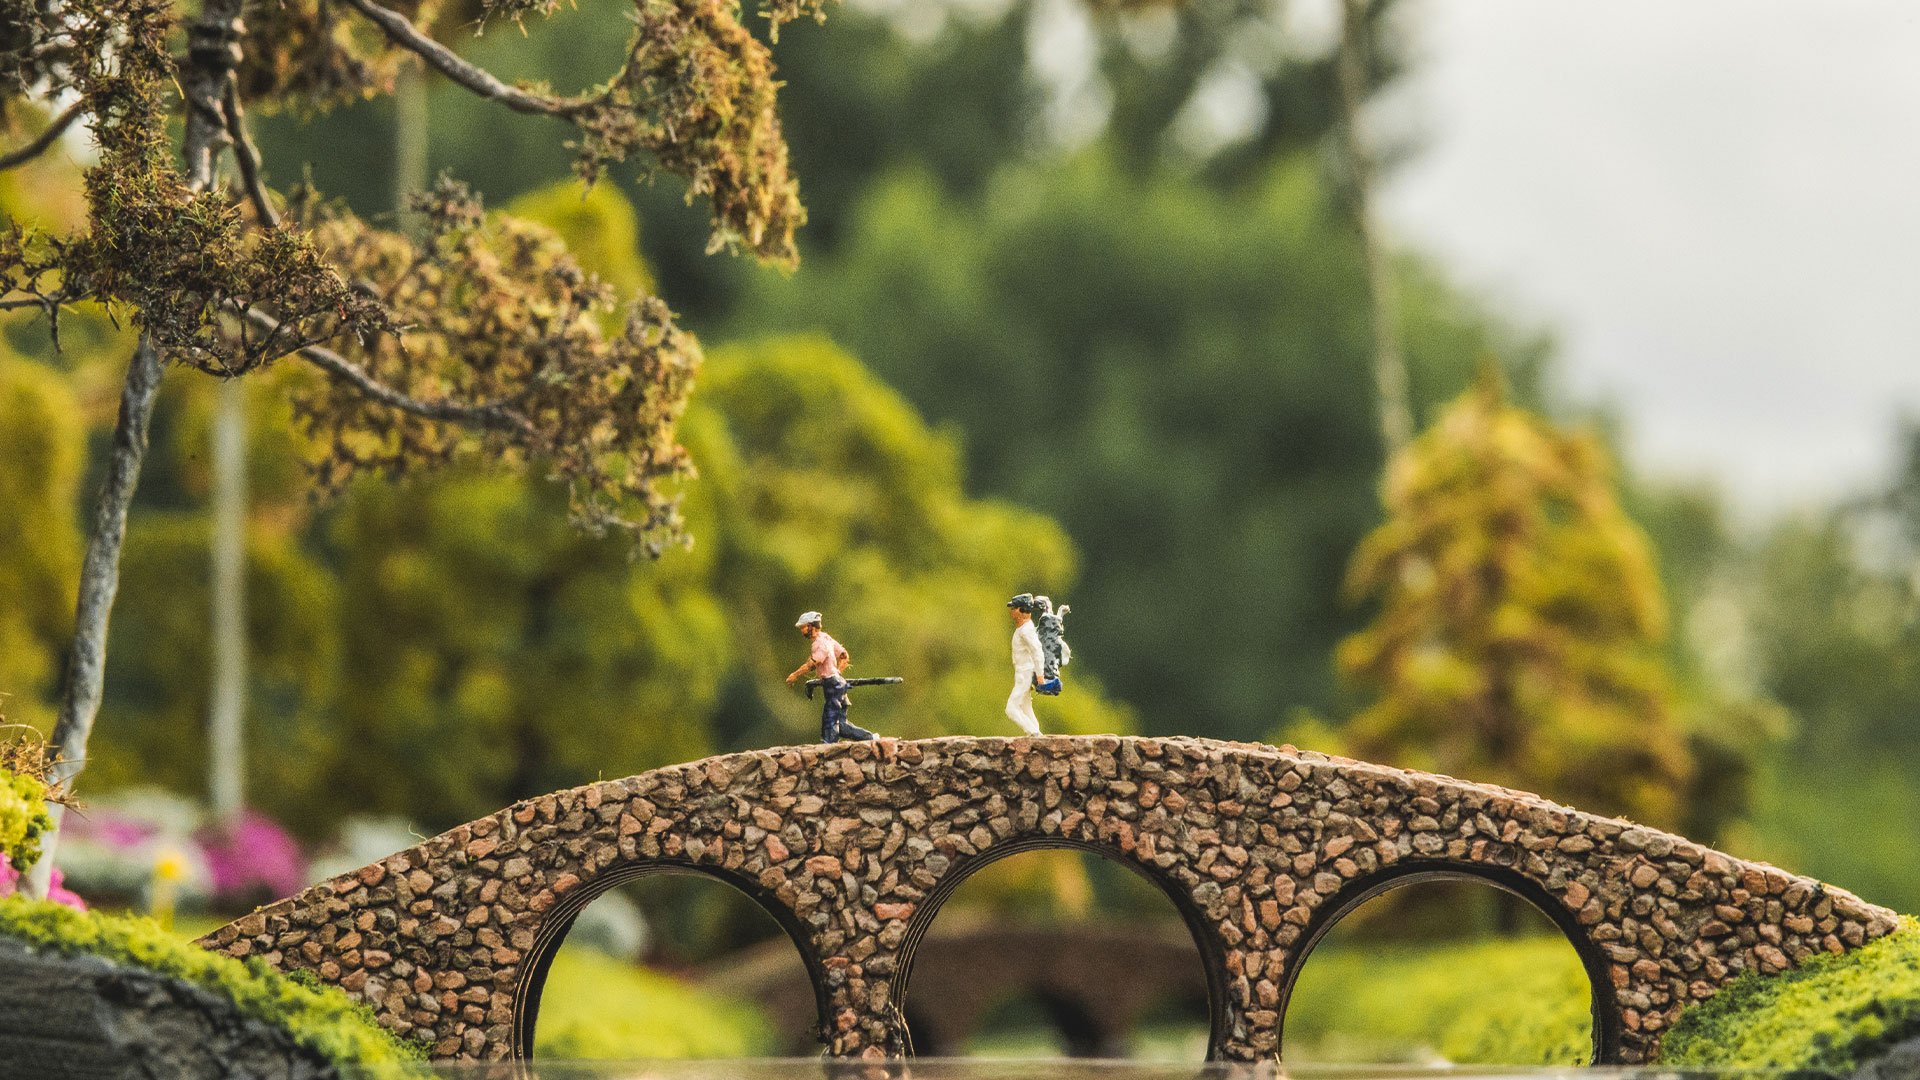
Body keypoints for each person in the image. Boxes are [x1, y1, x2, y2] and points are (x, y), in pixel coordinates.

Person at [787, 611, 880, 744]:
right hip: (837, 683)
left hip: (833, 685)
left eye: (803, 627)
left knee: (830, 719)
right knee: (841, 725)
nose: (802, 631)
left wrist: (795, 675)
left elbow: (813, 663)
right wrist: (837, 673)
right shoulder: (827, 638)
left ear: (812, 626)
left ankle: (828, 746)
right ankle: (871, 738)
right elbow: (844, 655)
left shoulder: (819, 643)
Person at [1005, 594, 1047, 735]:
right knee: (1025, 707)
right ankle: (1034, 733)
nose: (1011, 611)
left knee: (1011, 708)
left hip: (1025, 672)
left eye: (1014, 608)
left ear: (1021, 610)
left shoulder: (1026, 630)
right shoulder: (1022, 629)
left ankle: (1035, 733)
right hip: (1022, 672)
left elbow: (1037, 651)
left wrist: (1040, 675)